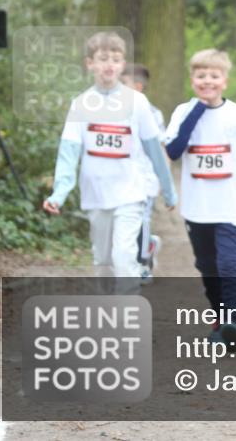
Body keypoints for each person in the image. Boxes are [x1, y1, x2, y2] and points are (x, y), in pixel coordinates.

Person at [43, 32, 177, 291]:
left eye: (115, 59)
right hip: (96, 195)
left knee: (124, 257)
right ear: (89, 63)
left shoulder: (137, 102)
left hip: (130, 192)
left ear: (123, 64)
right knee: (103, 261)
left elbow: (154, 149)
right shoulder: (80, 104)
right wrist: (60, 192)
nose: (109, 65)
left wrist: (168, 190)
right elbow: (69, 151)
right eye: (103, 59)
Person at [164, 49, 236, 347]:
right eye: (201, 76)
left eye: (214, 76)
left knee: (228, 263)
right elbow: (172, 152)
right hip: (197, 209)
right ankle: (221, 317)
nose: (207, 81)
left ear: (225, 80)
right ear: (192, 79)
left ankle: (233, 321)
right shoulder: (184, 112)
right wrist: (198, 110)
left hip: (231, 207)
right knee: (206, 266)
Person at [119, 63, 165, 282]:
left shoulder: (153, 114)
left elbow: (159, 147)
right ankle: (138, 253)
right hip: (118, 179)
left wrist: (165, 183)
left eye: (123, 83)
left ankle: (142, 262)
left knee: (142, 219)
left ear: (137, 87)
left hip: (146, 178)